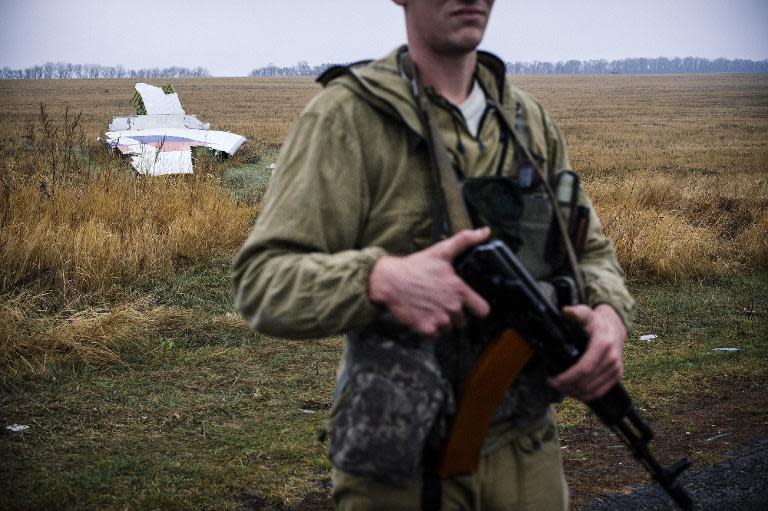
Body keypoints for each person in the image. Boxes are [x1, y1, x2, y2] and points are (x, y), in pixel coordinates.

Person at [233, 1, 634, 509]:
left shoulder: (527, 122)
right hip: (402, 466)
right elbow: (261, 280)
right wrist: (377, 279)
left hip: (529, 452)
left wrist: (608, 315)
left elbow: (591, 252)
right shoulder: (348, 118)